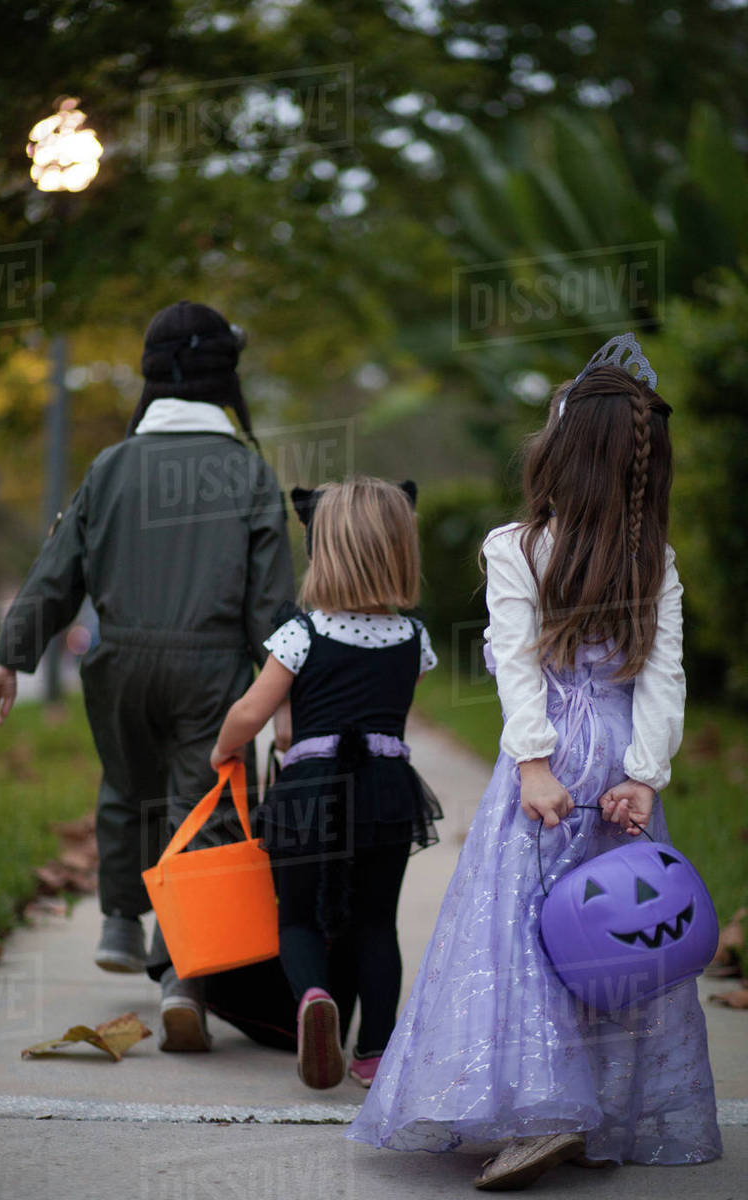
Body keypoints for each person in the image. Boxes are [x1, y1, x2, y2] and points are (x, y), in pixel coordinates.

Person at [346, 335, 722, 1188]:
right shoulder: (651, 558)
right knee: (617, 932)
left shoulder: (515, 545)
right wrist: (643, 773)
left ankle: (543, 1108)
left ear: (561, 451)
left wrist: (533, 764)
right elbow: (665, 676)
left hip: (550, 763)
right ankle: (593, 1110)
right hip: (620, 759)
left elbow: (515, 666)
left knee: (527, 930)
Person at [0, 300, 296, 1051]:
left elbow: (59, 573)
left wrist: (7, 657)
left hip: (116, 663)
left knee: (126, 785)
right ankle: (184, 973)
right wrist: (285, 693)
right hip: (211, 669)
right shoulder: (247, 471)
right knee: (205, 810)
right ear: (227, 378)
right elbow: (272, 606)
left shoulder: (111, 468)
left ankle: (121, 919)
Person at [210, 476, 443, 1089]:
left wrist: (225, 748)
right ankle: (372, 1052)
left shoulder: (302, 632)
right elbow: (388, 710)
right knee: (376, 924)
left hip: (311, 789)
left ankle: (314, 997)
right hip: (386, 788)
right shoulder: (414, 638)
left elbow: (252, 713)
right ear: (400, 551)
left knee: (297, 920)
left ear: (322, 549)